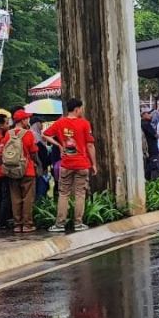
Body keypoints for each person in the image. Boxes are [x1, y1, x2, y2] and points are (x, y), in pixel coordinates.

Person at [47, 98, 96, 233]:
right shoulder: (85, 124)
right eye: (81, 108)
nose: (82, 110)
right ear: (76, 109)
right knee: (80, 193)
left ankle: (60, 224)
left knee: (64, 194)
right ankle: (78, 223)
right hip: (82, 163)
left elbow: (46, 135)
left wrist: (59, 145)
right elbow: (90, 145)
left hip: (66, 164)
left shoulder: (60, 122)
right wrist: (94, 164)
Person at [6, 110, 39, 232]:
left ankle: (17, 224)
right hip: (27, 169)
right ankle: (27, 224)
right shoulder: (28, 134)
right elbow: (34, 151)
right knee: (28, 198)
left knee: (15, 198)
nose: (28, 120)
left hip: (12, 170)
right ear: (23, 120)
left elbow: (2, 151)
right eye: (27, 118)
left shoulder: (8, 134)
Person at [140, 109, 159, 180]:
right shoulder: (145, 124)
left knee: (148, 166)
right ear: (143, 115)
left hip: (147, 150)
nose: (150, 115)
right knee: (154, 167)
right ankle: (155, 181)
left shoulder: (143, 124)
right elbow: (156, 135)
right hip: (152, 149)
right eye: (148, 113)